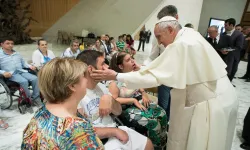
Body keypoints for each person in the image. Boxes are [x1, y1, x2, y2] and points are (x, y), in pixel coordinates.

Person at [90, 16, 238, 150]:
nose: (159, 42)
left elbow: (157, 76)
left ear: (170, 30)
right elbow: (165, 69)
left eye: (159, 37)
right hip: (223, 94)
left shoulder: (181, 44)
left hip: (207, 101)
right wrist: (139, 70)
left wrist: (116, 76)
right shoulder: (189, 33)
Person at [76, 50, 154, 150]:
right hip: (98, 140)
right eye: (102, 64)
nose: (107, 67)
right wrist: (114, 131)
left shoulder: (101, 86)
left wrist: (110, 100)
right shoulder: (77, 95)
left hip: (114, 129)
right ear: (91, 69)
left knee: (147, 144)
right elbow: (81, 131)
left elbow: (118, 111)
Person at [21, 58, 104, 149]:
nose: (87, 79)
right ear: (72, 86)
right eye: (84, 76)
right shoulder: (76, 130)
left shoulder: (43, 112)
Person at [108, 52, 167, 147]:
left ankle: (163, 142)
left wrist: (143, 93)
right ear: (121, 66)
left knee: (162, 113)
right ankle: (154, 146)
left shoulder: (132, 74)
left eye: (131, 57)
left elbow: (138, 84)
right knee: (153, 122)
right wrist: (133, 101)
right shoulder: (114, 82)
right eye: (128, 60)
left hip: (137, 101)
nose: (132, 61)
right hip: (124, 108)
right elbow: (113, 99)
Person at [143, 5, 179, 121]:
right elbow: (152, 57)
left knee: (176, 108)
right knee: (163, 107)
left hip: (181, 81)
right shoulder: (158, 37)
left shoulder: (186, 38)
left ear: (176, 18)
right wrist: (142, 68)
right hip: (165, 78)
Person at [0, 37, 41, 106]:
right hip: (11, 74)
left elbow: (23, 63)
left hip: (21, 71)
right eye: (7, 43)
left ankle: (36, 98)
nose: (10, 45)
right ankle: (27, 99)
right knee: (24, 81)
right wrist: (3, 72)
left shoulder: (17, 53)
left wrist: (30, 66)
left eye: (12, 43)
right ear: (1, 44)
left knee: (35, 79)